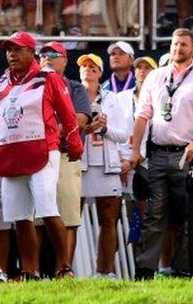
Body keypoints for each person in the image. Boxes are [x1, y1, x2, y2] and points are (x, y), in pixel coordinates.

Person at [0, 31, 83, 279]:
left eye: (18, 49)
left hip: (43, 150)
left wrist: (74, 144)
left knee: (47, 209)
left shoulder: (48, 77)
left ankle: (64, 267)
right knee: (19, 216)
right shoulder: (2, 81)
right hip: (11, 154)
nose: (11, 54)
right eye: (9, 50)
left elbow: (68, 114)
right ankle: (29, 271)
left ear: (32, 53)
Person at [129, 28, 193, 279]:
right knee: (153, 216)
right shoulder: (156, 77)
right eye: (174, 44)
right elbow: (142, 115)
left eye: (183, 45)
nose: (177, 49)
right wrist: (136, 149)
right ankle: (145, 273)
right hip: (157, 154)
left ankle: (183, 273)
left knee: (187, 218)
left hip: (188, 156)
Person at [36, 41, 91, 275]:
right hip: (37, 158)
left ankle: (64, 272)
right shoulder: (31, 86)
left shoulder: (76, 87)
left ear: (65, 60)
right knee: (36, 219)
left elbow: (80, 119)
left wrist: (49, 129)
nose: (47, 57)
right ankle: (34, 273)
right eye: (43, 54)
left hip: (66, 155)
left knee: (69, 216)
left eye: (53, 54)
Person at [77, 52, 129, 278]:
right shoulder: (71, 94)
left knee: (108, 220)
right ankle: (65, 269)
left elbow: (123, 135)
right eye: (84, 67)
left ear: (100, 73)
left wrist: (104, 128)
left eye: (93, 67)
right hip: (77, 164)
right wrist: (84, 129)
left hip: (106, 165)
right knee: (70, 219)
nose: (88, 70)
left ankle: (105, 272)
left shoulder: (112, 99)